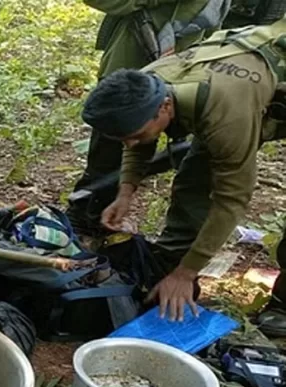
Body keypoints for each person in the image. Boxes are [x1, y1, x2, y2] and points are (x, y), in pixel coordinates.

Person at [80, 19, 286, 322]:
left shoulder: (225, 115)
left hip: (246, 94)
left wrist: (186, 273)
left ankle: (282, 309)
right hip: (239, 86)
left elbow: (232, 200)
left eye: (136, 134)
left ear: (165, 107)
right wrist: (125, 191)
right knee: (194, 181)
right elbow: (138, 140)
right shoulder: (146, 82)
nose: (130, 143)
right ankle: (166, 267)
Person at [65, 0, 227, 230]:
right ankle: (82, 220)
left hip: (181, 77)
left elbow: (213, 28)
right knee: (107, 157)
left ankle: (103, 221)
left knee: (160, 152)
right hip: (130, 76)